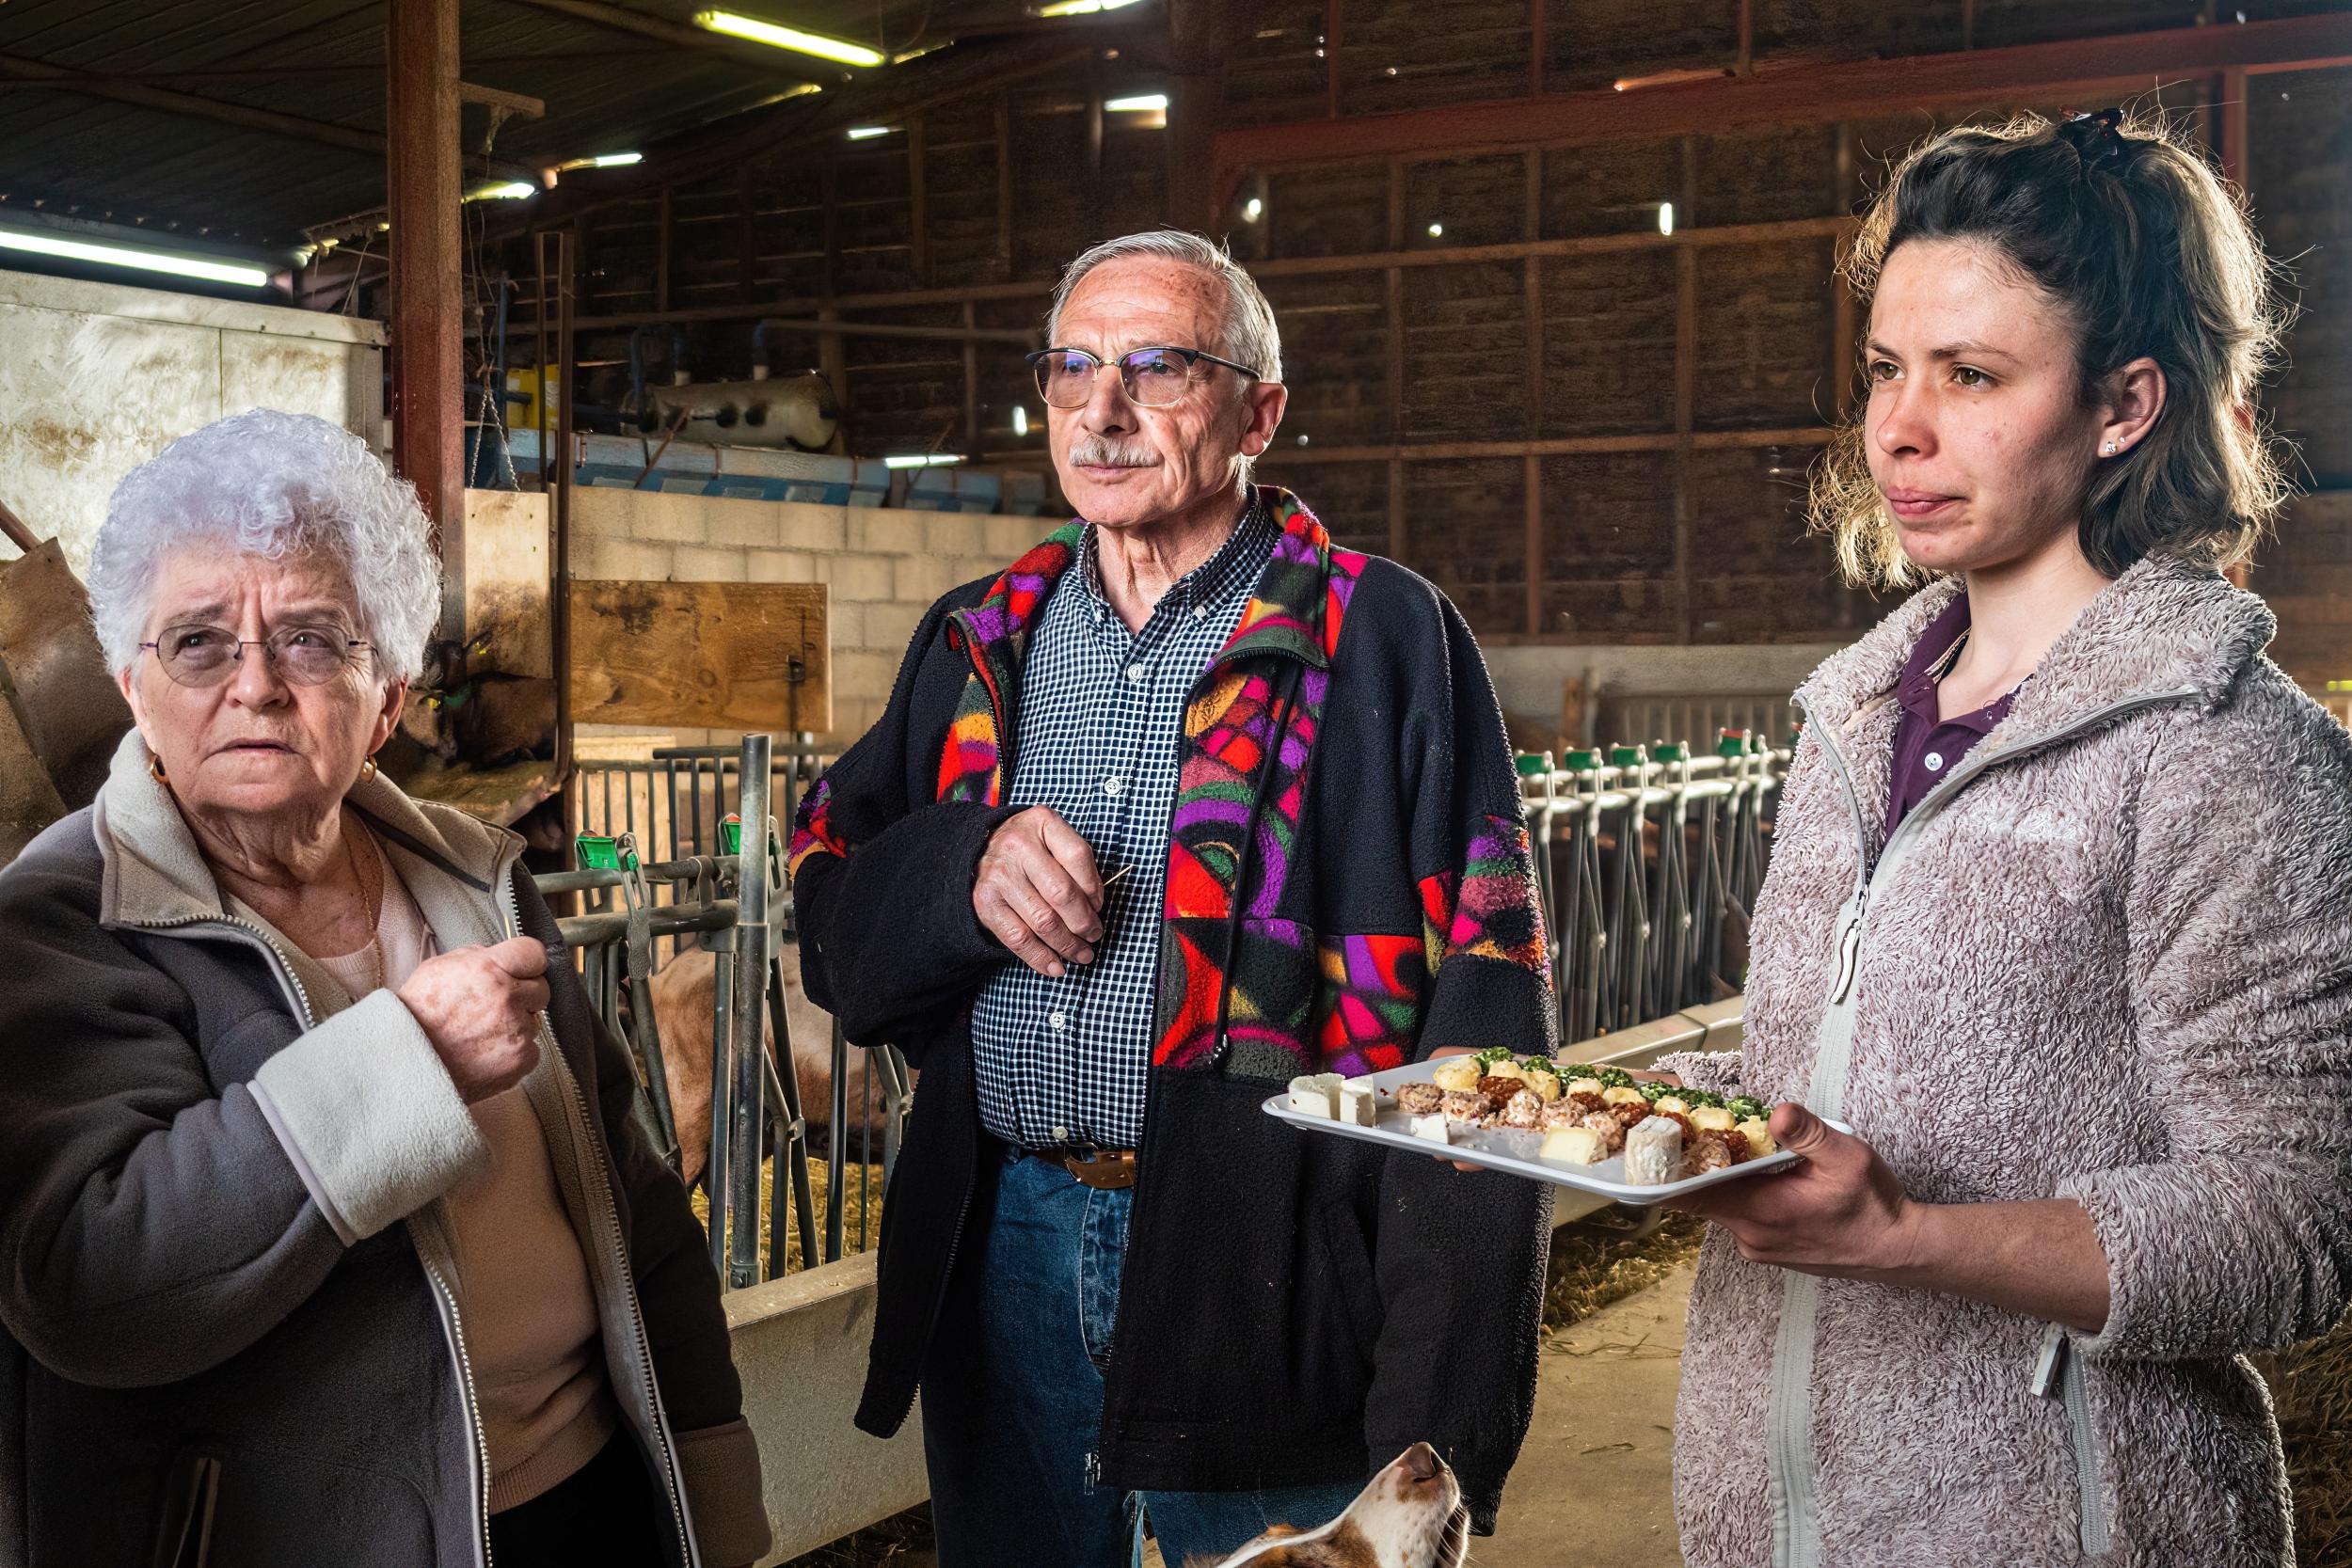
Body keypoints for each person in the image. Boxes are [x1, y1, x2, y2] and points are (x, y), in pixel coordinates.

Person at [788, 230, 1554, 1564]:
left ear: (1259, 410)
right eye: (1072, 368)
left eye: (1158, 366)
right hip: (1009, 1243)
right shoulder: (984, 638)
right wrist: (957, 873)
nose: (1104, 407)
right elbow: (835, 925)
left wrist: (1441, 1421)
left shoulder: (1382, 637)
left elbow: (1483, 1030)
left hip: (1272, 1264)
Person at [1652, 110, 2352, 1567]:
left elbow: (2292, 1223)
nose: (1899, 426)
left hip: (2065, 1526)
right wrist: (1602, 1122)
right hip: (1773, 1523)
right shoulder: (1853, 715)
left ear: (2124, 403)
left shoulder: (2224, 751)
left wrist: (1907, 1235)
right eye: (1887, 369)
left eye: (1973, 375)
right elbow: (1830, 1080)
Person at [0, 409, 769, 1568]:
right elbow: (87, 1277)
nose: (254, 685)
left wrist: (708, 1485)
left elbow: (635, 1207)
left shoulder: (477, 877)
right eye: (198, 642)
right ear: (130, 683)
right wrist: (411, 1059)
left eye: (312, 639)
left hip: (590, 1499)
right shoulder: (63, 920)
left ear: (389, 697)